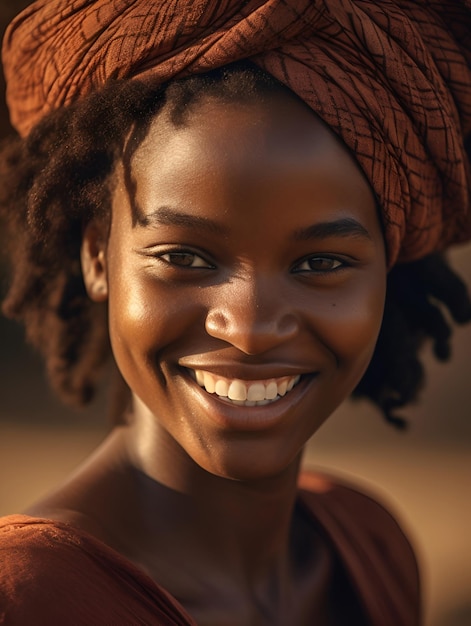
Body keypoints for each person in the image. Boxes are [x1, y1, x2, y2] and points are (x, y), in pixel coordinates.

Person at [0, 1, 470, 624]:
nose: (248, 328)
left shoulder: (371, 548)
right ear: (97, 257)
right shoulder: (30, 598)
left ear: (389, 270)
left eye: (320, 264)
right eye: (185, 256)